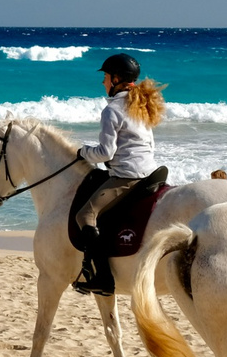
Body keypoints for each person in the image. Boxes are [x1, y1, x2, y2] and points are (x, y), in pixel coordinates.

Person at [69, 52, 166, 295]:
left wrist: (83, 152)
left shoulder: (112, 110)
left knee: (85, 216)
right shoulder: (141, 104)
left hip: (127, 176)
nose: (103, 82)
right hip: (150, 170)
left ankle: (103, 278)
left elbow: (105, 152)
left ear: (115, 79)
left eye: (105, 77)